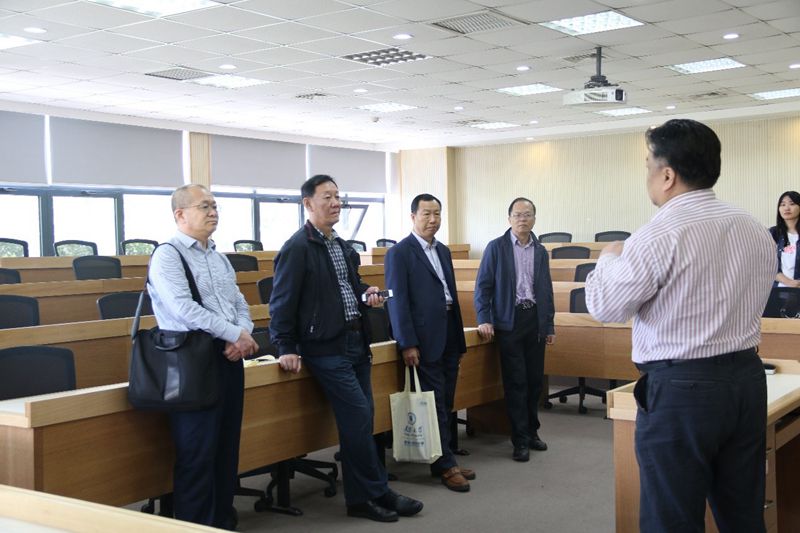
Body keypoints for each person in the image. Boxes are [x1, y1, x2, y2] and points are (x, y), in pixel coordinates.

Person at [584, 119, 775, 533]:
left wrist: (609, 259)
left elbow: (605, 308)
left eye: (647, 165)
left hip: (682, 391)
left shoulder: (657, 235)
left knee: (672, 518)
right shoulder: (754, 228)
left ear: (667, 175)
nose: (647, 176)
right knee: (743, 514)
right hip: (746, 379)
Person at [269, 174, 422, 523]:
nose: (336, 203)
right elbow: (281, 303)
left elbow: (347, 287)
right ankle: (368, 495)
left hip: (356, 341)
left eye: (338, 196)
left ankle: (373, 492)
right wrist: (285, 346)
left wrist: (367, 292)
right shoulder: (297, 248)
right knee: (356, 419)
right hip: (325, 348)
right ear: (308, 203)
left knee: (364, 419)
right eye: (327, 197)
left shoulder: (340, 245)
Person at [147, 183, 259, 530]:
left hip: (229, 357)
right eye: (205, 206)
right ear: (180, 214)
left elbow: (238, 302)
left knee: (226, 448)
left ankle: (222, 521)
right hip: (192, 361)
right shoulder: (168, 255)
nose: (213, 212)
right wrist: (233, 334)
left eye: (215, 206)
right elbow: (183, 309)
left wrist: (243, 333)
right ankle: (195, 525)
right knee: (197, 452)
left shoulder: (218, 256)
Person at [384, 193, 474, 492]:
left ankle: (443, 457)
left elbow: (450, 297)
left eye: (437, 214)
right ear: (413, 216)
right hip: (423, 338)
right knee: (434, 401)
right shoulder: (400, 253)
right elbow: (397, 302)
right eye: (426, 214)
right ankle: (446, 465)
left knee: (446, 399)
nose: (433, 219)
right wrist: (407, 343)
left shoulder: (443, 250)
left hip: (448, 331)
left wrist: (459, 339)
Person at [474, 197, 555, 462]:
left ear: (534, 219)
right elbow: (483, 286)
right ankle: (519, 439)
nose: (523, 219)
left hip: (535, 320)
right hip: (509, 322)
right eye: (518, 215)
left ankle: (532, 432)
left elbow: (546, 289)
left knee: (534, 382)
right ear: (509, 219)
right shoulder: (496, 248)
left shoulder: (540, 250)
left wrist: (549, 324)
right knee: (516, 381)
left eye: (527, 214)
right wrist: (484, 318)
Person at [769, 190, 800, 287]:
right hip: (778, 290)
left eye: (792, 204)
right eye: (782, 205)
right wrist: (789, 282)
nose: (786, 208)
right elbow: (766, 263)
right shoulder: (773, 233)